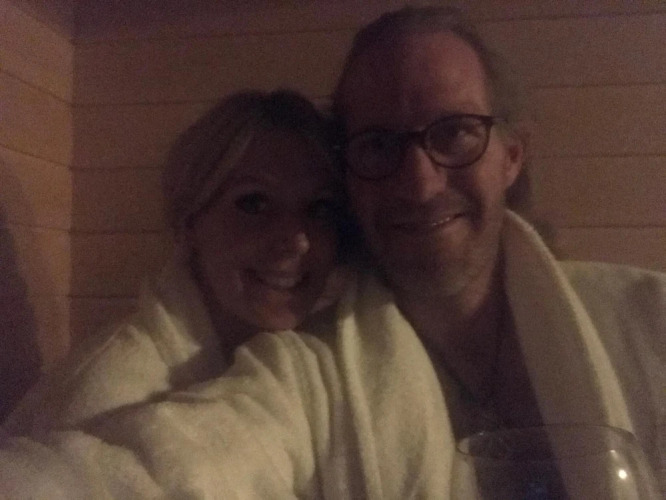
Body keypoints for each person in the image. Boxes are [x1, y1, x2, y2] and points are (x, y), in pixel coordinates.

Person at [1, 7, 665, 498]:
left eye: (456, 132)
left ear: (512, 156)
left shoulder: (649, 319)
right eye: (378, 144)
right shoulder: (301, 371)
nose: (420, 182)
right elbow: (155, 469)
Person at [2, 89, 349, 435]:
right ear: (188, 223)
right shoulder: (106, 399)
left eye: (319, 208)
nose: (297, 241)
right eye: (254, 203)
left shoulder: (313, 372)